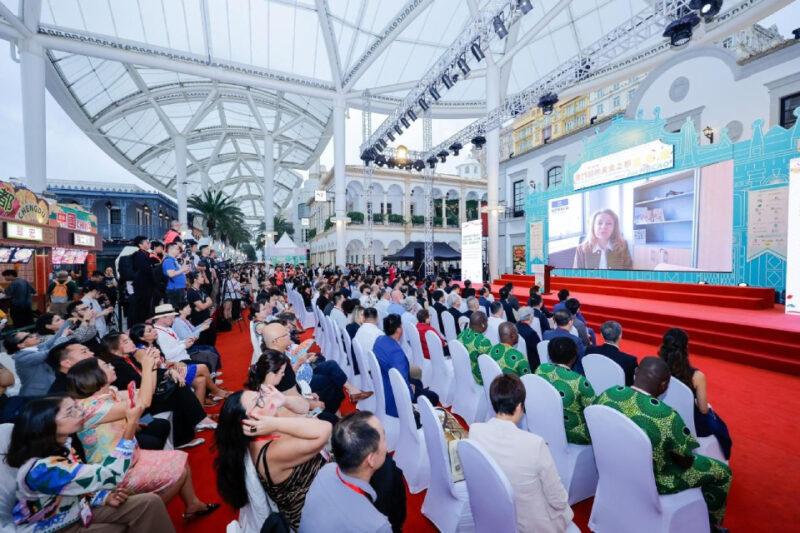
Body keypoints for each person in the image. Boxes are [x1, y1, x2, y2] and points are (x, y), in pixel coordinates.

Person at [66, 357, 219, 521]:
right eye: (105, 365)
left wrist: (152, 367)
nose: (111, 365)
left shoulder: (108, 393)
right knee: (179, 473)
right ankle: (145, 515)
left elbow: (146, 393)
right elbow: (142, 402)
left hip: (131, 455)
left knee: (181, 458)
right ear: (93, 376)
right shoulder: (89, 408)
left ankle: (193, 505)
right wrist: (146, 368)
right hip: (114, 470)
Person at [595, 357, 732, 530]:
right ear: (664, 385)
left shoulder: (609, 394)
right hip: (658, 479)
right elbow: (686, 461)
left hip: (614, 464)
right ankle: (712, 524)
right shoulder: (666, 416)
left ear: (636, 373)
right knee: (723, 472)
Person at [6, 397, 176, 533]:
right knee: (119, 526)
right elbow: (111, 475)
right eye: (70, 412)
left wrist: (102, 497)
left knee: (148, 503)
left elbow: (71, 487)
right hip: (55, 526)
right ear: (47, 425)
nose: (80, 412)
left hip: (77, 509)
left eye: (76, 407)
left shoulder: (62, 445)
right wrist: (130, 424)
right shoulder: (43, 470)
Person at [214, 389, 331, 530]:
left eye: (260, 395)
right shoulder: (270, 452)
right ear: (248, 423)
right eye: (258, 401)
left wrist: (284, 400)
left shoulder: (265, 428)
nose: (266, 399)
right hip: (314, 515)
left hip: (322, 489)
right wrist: (276, 423)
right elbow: (325, 429)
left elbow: (304, 407)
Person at [469, 375, 573, 533]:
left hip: (494, 511)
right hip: (530, 524)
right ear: (519, 407)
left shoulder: (475, 431)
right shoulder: (535, 444)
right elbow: (558, 500)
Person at [100, 332, 209, 449]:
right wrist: (154, 365)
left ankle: (193, 427)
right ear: (113, 349)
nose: (131, 342)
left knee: (176, 387)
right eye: (125, 342)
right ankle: (195, 424)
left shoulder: (129, 358)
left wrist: (168, 371)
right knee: (175, 392)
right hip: (141, 409)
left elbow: (149, 376)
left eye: (129, 339)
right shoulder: (118, 365)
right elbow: (142, 384)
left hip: (145, 398)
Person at [299, 411, 394, 533]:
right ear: (371, 459)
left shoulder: (326, 470)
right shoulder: (376, 526)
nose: (386, 444)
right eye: (384, 438)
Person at [658, 328, 732, 459]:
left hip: (662, 415)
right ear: (686, 348)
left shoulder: (656, 368)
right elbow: (703, 410)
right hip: (690, 424)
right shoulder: (697, 376)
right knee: (720, 426)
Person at [373, 314, 438, 418]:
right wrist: (410, 389)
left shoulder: (379, 340)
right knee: (434, 397)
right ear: (398, 329)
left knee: (417, 382)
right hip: (394, 394)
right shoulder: (396, 353)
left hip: (384, 380)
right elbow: (401, 382)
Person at [536, 337, 596, 445]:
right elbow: (594, 413)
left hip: (545, 421)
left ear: (549, 355)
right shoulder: (580, 382)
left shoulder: (541, 369)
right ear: (574, 357)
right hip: (573, 433)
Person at [4, 324, 71, 396]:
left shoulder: (36, 348)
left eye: (31, 334)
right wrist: (63, 336)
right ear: (21, 345)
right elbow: (51, 351)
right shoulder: (21, 358)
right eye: (29, 336)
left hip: (49, 389)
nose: (35, 335)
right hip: (38, 395)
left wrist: (69, 322)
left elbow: (54, 339)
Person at [591, 321, 638, 386]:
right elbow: (631, 383)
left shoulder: (590, 350)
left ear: (601, 334)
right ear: (620, 336)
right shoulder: (630, 361)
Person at [457, 311, 494, 385]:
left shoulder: (461, 335)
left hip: (462, 369)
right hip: (477, 376)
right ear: (483, 325)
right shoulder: (483, 342)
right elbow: (491, 364)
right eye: (486, 322)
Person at [129, 236, 155, 325]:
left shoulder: (145, 254)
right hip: (142, 286)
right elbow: (145, 269)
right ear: (140, 245)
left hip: (147, 286)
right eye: (147, 243)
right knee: (142, 309)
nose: (149, 244)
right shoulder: (138, 254)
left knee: (146, 307)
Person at [162, 241, 190, 309]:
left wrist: (186, 260)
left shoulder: (174, 260)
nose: (179, 250)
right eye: (177, 249)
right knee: (175, 310)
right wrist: (182, 270)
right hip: (174, 289)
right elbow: (171, 274)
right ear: (171, 250)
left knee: (180, 309)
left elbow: (184, 271)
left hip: (179, 288)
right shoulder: (168, 261)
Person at [515, 307, 542, 371]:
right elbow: (538, 348)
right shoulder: (531, 333)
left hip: (518, 357)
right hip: (530, 362)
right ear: (530, 317)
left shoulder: (515, 326)